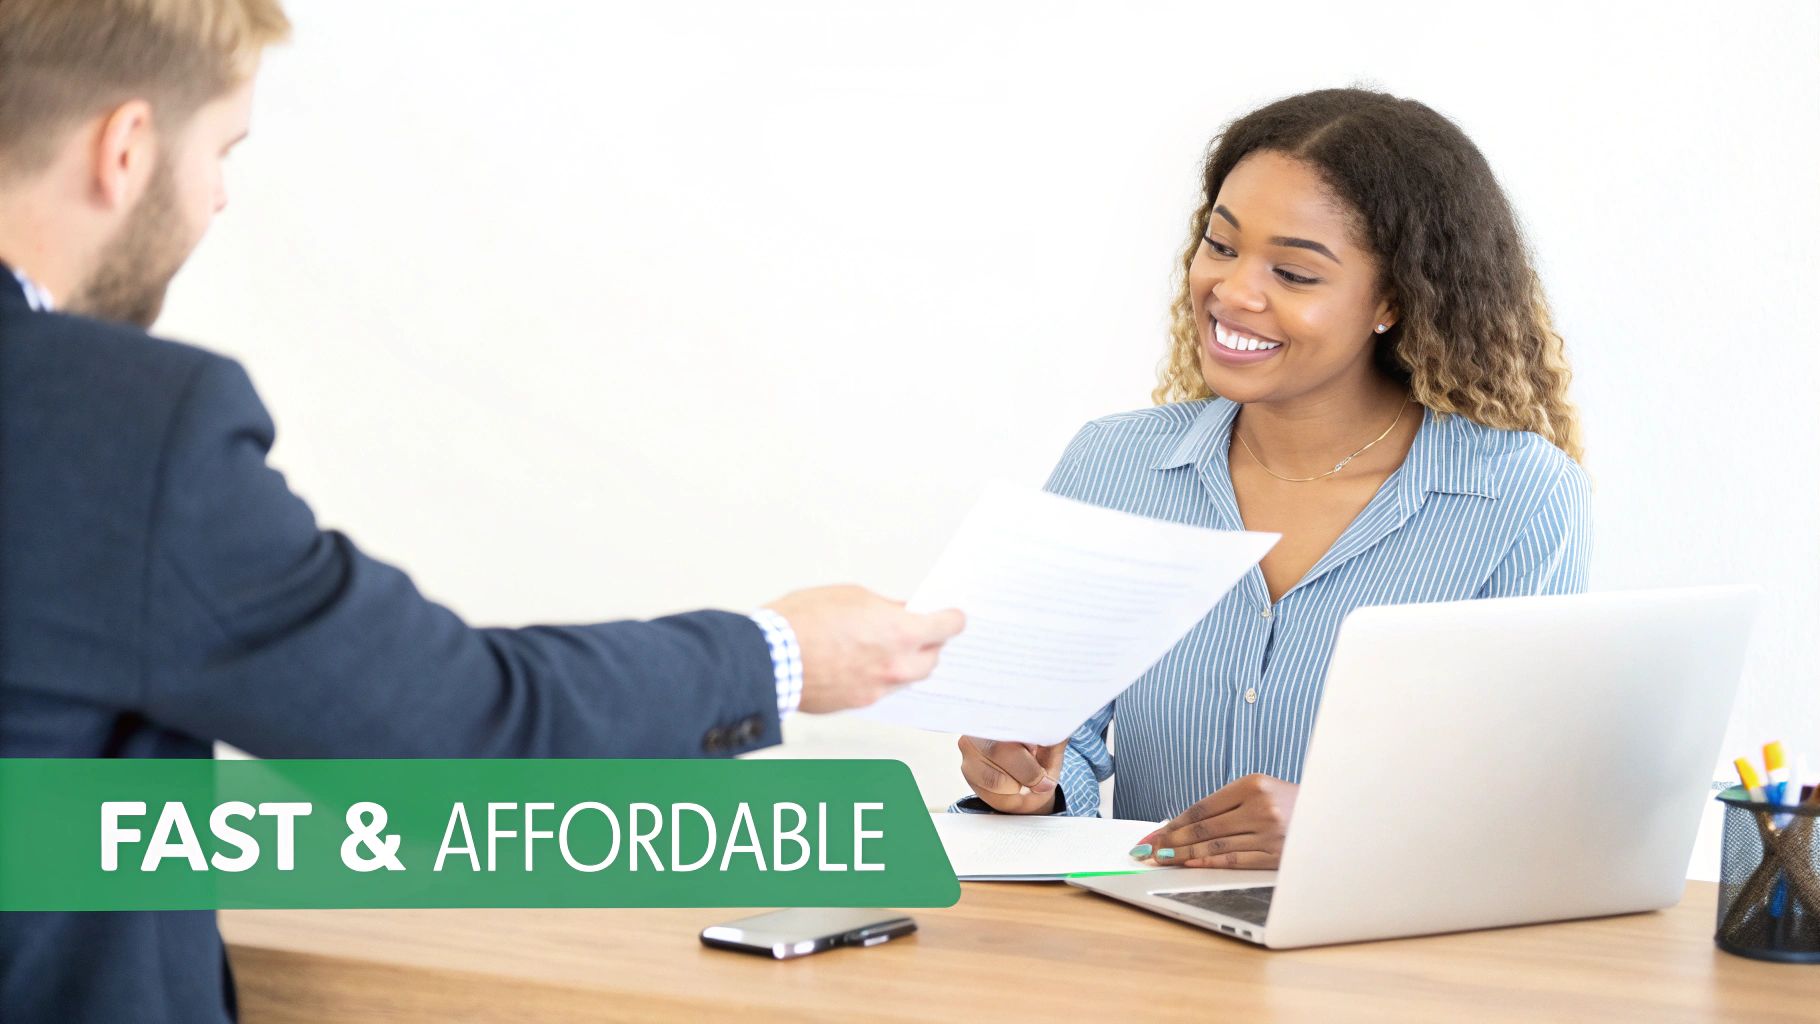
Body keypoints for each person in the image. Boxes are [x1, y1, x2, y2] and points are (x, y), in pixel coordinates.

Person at [0, 2, 963, 1020]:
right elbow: (459, 731)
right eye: (222, 152)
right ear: (127, 147)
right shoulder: (105, 423)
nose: (219, 198)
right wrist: (781, 653)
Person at [956, 88, 1592, 870]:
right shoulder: (1112, 465)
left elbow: (1523, 801)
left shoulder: (1519, 496)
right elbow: (1065, 747)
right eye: (1220, 246)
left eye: (1292, 272)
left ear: (1393, 299)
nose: (1233, 293)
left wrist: (1336, 830)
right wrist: (1028, 784)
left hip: (1386, 963)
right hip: (1147, 953)